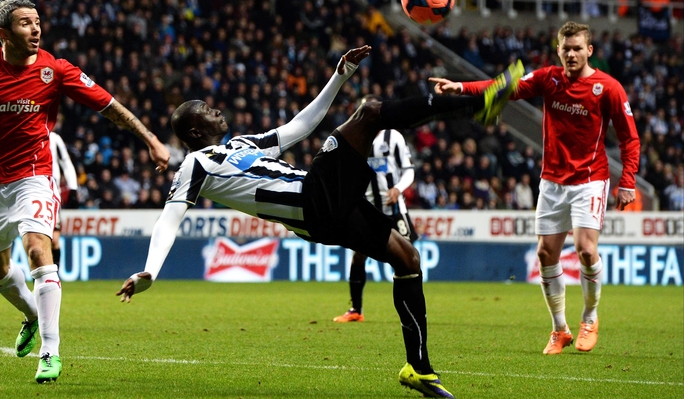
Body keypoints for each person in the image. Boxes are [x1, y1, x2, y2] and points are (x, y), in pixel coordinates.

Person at [116, 45, 523, 398]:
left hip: (328, 209)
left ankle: (418, 368)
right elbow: (169, 219)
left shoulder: (241, 144)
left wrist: (338, 76)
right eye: (206, 110)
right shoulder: (194, 164)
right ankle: (478, 104)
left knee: (408, 259)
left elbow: (297, 127)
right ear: (193, 129)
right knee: (369, 112)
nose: (216, 109)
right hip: (312, 201)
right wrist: (150, 271)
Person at [0, 0, 170, 383]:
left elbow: (108, 105)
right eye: (26, 23)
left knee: (38, 250)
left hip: (35, 176)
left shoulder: (55, 70)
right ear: (3, 33)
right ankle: (29, 314)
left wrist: (150, 138)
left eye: (38, 21)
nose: (36, 28)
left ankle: (50, 350)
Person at [430, 21, 640, 355]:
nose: (571, 54)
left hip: (590, 179)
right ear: (558, 50)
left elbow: (630, 138)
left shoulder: (609, 88)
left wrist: (627, 180)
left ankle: (589, 318)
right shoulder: (548, 78)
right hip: (552, 180)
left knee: (586, 249)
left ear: (590, 51)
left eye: (577, 48)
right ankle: (560, 329)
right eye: (565, 48)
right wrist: (462, 87)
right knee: (545, 254)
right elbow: (505, 88)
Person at [334, 94, 417, 324]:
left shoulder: (394, 137)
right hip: (368, 208)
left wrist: (398, 189)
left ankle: (413, 310)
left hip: (394, 207)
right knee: (358, 256)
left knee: (409, 257)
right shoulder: (355, 138)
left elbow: (409, 170)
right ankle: (356, 310)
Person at [49, 130, 77, 267]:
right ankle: (41, 274)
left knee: (54, 240)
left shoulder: (54, 138)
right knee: (38, 239)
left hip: (52, 194)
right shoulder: (26, 135)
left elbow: (66, 161)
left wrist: (73, 187)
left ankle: (55, 273)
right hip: (32, 192)